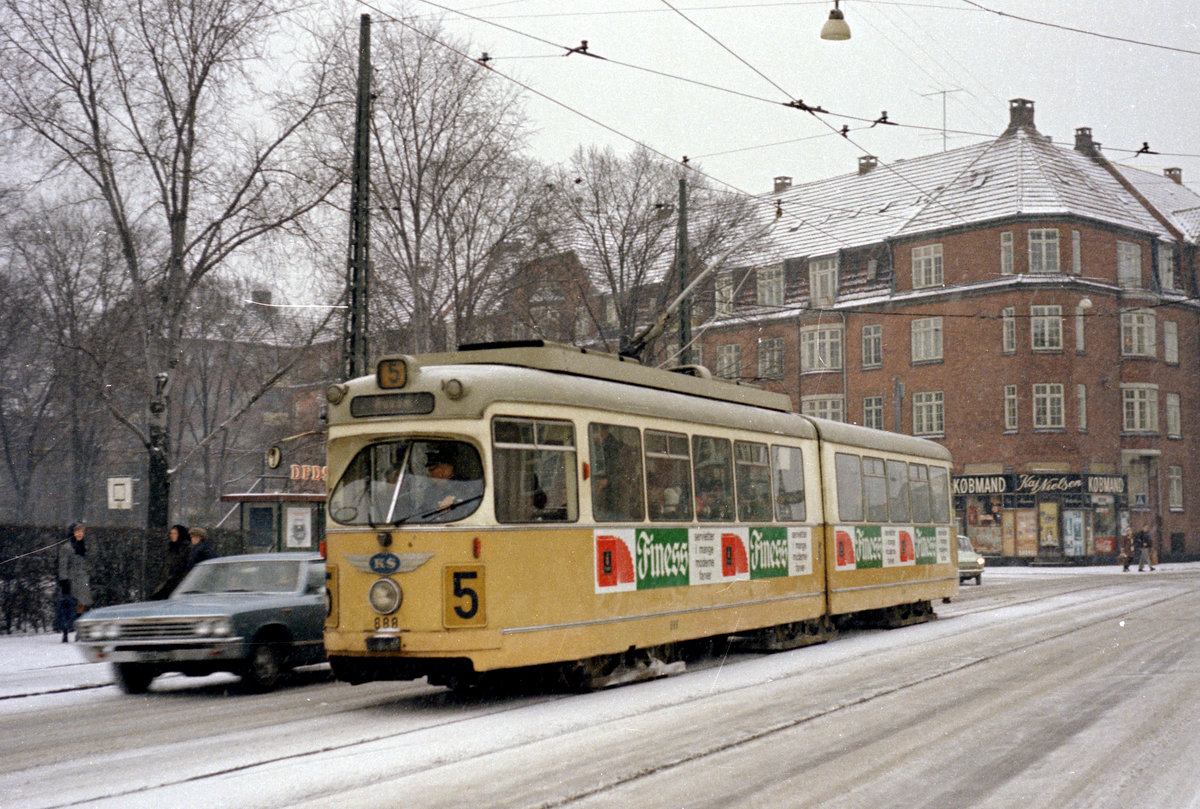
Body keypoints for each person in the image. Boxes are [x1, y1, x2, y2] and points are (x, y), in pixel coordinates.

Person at [55, 522, 91, 642]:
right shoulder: (66, 547)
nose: (80, 534)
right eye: (77, 531)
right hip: (71, 580)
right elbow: (63, 565)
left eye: (82, 531)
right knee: (68, 606)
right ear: (72, 533)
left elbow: (87, 563)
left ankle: (78, 632)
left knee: (80, 606)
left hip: (82, 580)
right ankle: (65, 632)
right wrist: (64, 580)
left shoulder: (85, 546)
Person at [151, 524, 192, 599]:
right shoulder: (170, 548)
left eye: (175, 533)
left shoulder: (186, 549)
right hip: (167, 583)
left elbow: (185, 566)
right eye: (171, 533)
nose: (172, 535)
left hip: (178, 584)